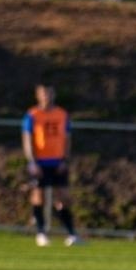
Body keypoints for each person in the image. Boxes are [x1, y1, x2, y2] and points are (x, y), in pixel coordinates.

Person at [22, 84, 81, 246]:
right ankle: (41, 233)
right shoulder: (32, 115)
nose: (46, 97)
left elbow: (67, 138)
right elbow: (28, 139)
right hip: (40, 161)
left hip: (58, 161)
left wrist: (65, 160)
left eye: (49, 93)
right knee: (38, 196)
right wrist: (32, 162)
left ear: (53, 94)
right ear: (37, 96)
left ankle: (71, 234)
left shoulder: (62, 114)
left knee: (64, 197)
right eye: (43, 94)